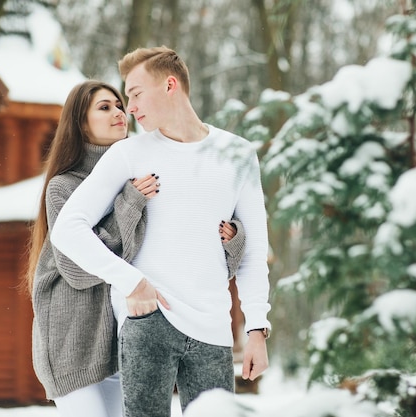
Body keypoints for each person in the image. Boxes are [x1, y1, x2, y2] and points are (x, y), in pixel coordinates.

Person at [50, 46, 271, 417]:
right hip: (148, 320)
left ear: (170, 84)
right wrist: (131, 283)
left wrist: (256, 329)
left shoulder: (238, 154)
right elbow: (67, 229)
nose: (129, 108)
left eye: (135, 94)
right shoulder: (128, 154)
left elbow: (253, 250)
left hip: (213, 327)